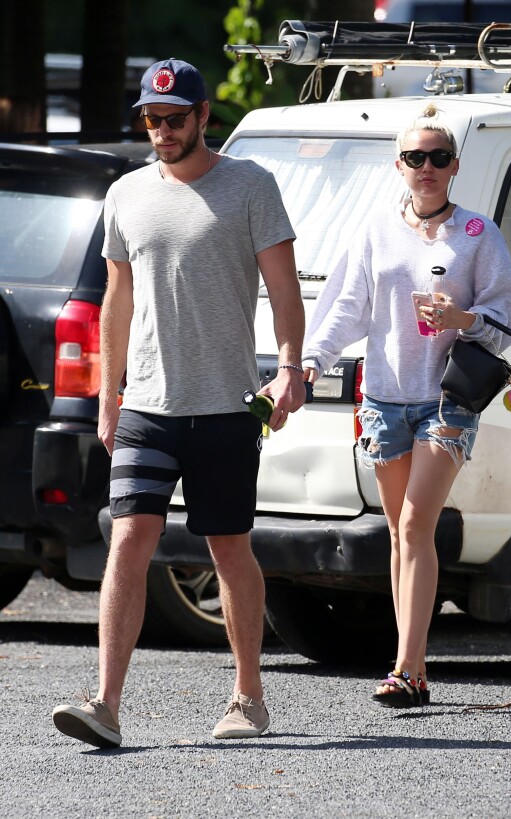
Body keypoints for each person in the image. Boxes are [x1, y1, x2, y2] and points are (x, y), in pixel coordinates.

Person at [52, 58, 305, 747]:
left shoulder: (251, 186)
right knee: (129, 538)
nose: (160, 130)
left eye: (173, 119)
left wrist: (288, 368)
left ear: (202, 118)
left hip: (226, 405)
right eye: (151, 119)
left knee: (228, 548)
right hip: (148, 408)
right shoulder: (127, 193)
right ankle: (105, 703)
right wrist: (110, 395)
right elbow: (116, 299)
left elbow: (284, 291)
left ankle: (248, 695)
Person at [302, 103, 511, 707]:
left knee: (417, 524)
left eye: (439, 157)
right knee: (400, 534)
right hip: (384, 399)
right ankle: (411, 665)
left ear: (454, 166)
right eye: (415, 158)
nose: (427, 167)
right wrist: (313, 358)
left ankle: (409, 668)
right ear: (399, 166)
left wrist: (462, 318)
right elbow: (347, 305)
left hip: (445, 401)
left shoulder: (478, 235)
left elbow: (506, 320)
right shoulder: (376, 229)